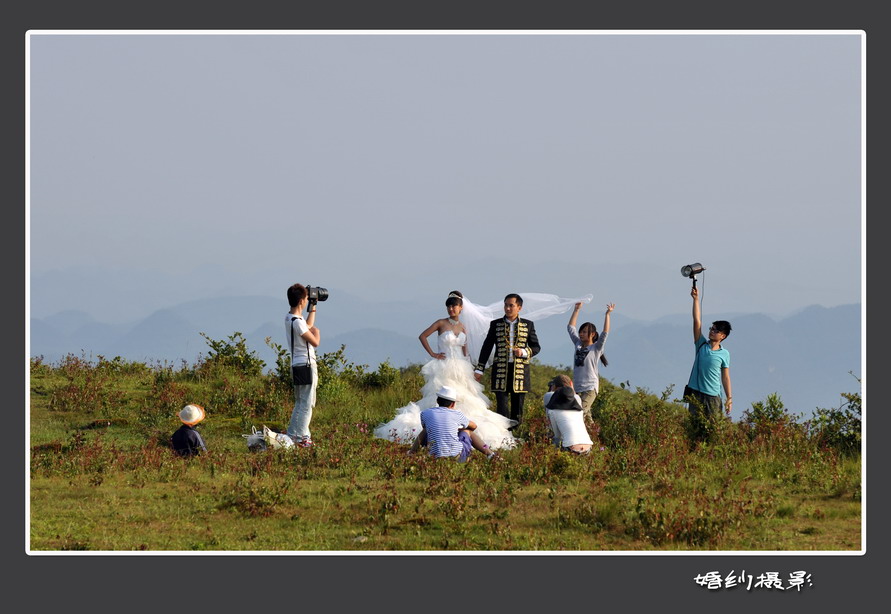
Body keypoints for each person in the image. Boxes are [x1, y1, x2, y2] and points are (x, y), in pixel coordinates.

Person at [374, 291, 518, 450]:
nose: (451, 309)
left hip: (461, 366)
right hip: (444, 364)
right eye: (449, 306)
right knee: (440, 396)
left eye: (454, 306)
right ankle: (439, 426)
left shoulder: (463, 327)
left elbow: (465, 350)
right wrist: (433, 354)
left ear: (461, 308)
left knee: (465, 399)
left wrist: (470, 367)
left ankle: (458, 427)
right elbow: (423, 336)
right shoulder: (441, 323)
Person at [474, 293, 540, 427]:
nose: (508, 308)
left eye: (511, 305)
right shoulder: (496, 324)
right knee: (502, 405)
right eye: (506, 305)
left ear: (519, 308)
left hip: (519, 371)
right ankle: (503, 434)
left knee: (518, 406)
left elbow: (536, 347)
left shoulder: (528, 325)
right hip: (500, 370)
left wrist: (522, 352)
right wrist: (479, 368)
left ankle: (516, 433)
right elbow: (487, 347)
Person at [684, 286, 732, 437]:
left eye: (716, 330)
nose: (712, 331)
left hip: (712, 395)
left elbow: (725, 377)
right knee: (693, 426)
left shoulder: (724, 354)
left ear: (723, 336)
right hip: (695, 393)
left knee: (712, 429)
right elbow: (697, 321)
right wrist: (696, 299)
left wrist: (729, 398)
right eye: (712, 328)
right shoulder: (701, 345)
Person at [407, 386, 501, 462]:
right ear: (452, 404)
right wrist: (459, 429)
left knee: (425, 431)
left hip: (434, 457)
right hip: (456, 457)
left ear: (437, 401)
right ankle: (490, 454)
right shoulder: (457, 414)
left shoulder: (425, 413)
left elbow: (426, 429)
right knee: (468, 431)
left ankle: (412, 452)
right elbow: (474, 426)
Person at [285, 283, 321, 447]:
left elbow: (307, 326)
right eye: (307, 299)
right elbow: (315, 342)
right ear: (301, 301)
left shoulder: (290, 318)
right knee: (307, 405)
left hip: (297, 365)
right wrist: (317, 333)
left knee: (300, 402)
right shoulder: (298, 322)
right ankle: (301, 438)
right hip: (307, 365)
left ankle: (294, 434)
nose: (307, 301)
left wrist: (313, 307)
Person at [567, 302, 614, 423]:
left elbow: (605, 333)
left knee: (580, 412)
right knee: (586, 416)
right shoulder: (578, 345)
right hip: (578, 386)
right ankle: (596, 436)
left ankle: (585, 438)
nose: (581, 334)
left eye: (584, 332)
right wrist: (576, 310)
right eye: (581, 332)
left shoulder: (596, 348)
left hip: (590, 386)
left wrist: (607, 314)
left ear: (592, 334)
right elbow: (571, 328)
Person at [543, 376, 594, 454]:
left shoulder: (552, 410)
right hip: (588, 446)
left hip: (571, 448)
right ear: (571, 384)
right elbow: (573, 395)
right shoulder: (578, 408)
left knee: (555, 439)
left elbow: (557, 435)